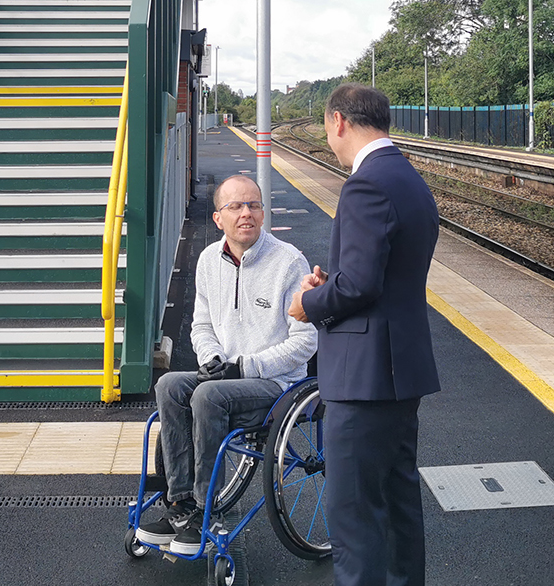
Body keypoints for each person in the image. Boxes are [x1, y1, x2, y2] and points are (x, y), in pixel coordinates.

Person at [289, 83, 440, 586]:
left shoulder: (365, 185)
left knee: (354, 518)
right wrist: (333, 283)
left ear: (339, 121)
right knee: (396, 509)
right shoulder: (408, 178)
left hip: (364, 378)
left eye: (326, 127)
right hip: (400, 371)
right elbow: (382, 277)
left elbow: (359, 284)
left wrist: (309, 303)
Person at [137, 174, 318, 556]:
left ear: (263, 214)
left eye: (253, 205)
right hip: (226, 374)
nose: (245, 213)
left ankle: (207, 510)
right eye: (235, 206)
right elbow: (202, 325)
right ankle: (181, 504)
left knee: (208, 397)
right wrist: (213, 360)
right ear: (218, 218)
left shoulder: (288, 262)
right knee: (169, 385)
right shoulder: (208, 260)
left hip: (276, 383)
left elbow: (305, 342)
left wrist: (243, 367)